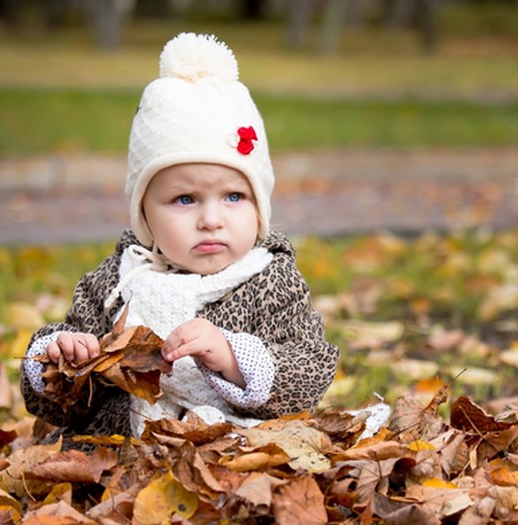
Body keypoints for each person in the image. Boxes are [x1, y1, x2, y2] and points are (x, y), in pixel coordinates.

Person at [20, 32, 340, 445]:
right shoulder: (118, 282)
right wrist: (66, 360)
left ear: (260, 206)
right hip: (122, 450)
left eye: (234, 196)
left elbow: (310, 370)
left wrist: (233, 358)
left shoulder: (271, 281)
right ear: (145, 216)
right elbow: (53, 405)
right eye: (185, 199)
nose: (211, 219)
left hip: (234, 446)